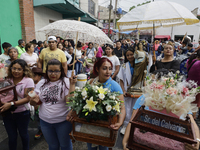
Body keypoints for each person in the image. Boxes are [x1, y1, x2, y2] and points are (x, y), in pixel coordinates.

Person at [67, 57, 125, 150]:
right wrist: (72, 111)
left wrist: (120, 123)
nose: (108, 72)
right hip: (91, 123)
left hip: (106, 125)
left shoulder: (115, 85)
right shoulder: (91, 82)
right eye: (104, 68)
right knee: (90, 147)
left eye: (110, 69)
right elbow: (81, 101)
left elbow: (122, 108)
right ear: (97, 69)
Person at [30, 59, 76, 150]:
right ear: (46, 71)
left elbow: (69, 101)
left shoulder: (66, 81)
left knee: (65, 146)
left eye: (56, 71)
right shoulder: (41, 83)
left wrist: (72, 85)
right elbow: (35, 102)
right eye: (50, 71)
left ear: (61, 71)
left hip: (63, 122)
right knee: (53, 146)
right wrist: (32, 101)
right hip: (45, 121)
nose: (53, 74)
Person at [0, 59, 34, 150]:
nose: (16, 71)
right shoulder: (6, 79)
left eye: (19, 69)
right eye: (14, 68)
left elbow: (28, 98)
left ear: (24, 70)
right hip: (7, 113)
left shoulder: (29, 81)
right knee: (12, 137)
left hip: (22, 113)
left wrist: (11, 104)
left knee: (23, 135)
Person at [117, 47, 137, 134]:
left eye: (131, 54)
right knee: (127, 108)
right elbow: (121, 79)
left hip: (137, 91)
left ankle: (135, 126)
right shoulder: (124, 66)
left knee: (136, 109)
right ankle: (125, 125)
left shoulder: (140, 65)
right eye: (127, 55)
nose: (129, 56)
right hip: (127, 91)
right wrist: (123, 90)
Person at [187, 49, 200, 119]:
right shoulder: (198, 64)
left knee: (187, 108)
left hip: (188, 87)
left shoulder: (190, 61)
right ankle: (191, 125)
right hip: (197, 91)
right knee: (193, 112)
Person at [32, 67, 44, 140]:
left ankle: (43, 130)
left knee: (42, 119)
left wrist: (38, 104)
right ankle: (40, 130)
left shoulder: (43, 84)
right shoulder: (31, 84)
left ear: (40, 76)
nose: (32, 77)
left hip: (41, 106)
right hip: (33, 105)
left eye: (35, 75)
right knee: (37, 119)